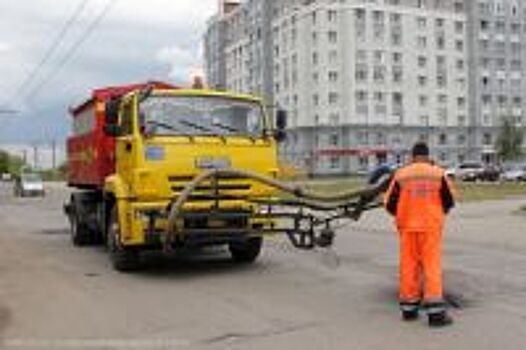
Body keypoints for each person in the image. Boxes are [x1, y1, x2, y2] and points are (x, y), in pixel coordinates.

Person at [384, 142, 456, 327]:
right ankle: (436, 314)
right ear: (427, 155)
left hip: (408, 228)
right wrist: (436, 213)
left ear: (413, 156)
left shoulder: (402, 174)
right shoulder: (438, 173)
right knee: (431, 266)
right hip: (430, 227)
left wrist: (404, 214)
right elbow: (449, 201)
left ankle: (409, 310)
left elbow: (389, 204)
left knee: (409, 266)